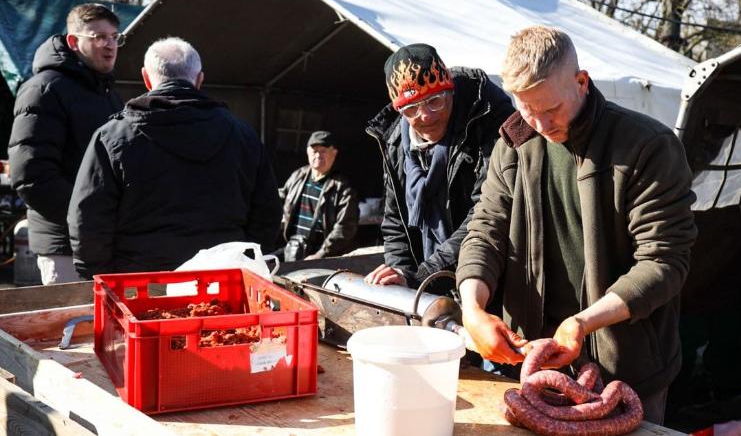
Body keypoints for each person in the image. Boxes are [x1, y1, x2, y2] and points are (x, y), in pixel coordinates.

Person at [455, 26, 697, 424]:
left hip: (627, 370)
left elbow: (664, 263)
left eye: (551, 109)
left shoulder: (647, 145)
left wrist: (582, 323)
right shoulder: (513, 143)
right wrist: (473, 308)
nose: (541, 124)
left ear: (581, 82)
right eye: (527, 109)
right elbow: (486, 230)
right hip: (531, 366)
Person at [68, 37, 281, 278]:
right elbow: (267, 214)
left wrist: (100, 278)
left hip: (138, 286)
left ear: (146, 78)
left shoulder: (112, 137)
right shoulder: (244, 136)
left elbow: (88, 221)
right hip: (223, 284)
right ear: (199, 79)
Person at [363, 43, 514, 287]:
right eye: (411, 108)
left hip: (489, 278)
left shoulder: (486, 122)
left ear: (450, 91)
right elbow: (395, 222)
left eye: (435, 101)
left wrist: (423, 277)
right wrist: (402, 275)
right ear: (400, 111)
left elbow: (485, 215)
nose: (425, 116)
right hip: (427, 281)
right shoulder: (395, 144)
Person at [8, 4, 124, 284]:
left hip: (104, 242)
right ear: (73, 42)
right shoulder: (44, 89)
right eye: (98, 37)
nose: (109, 45)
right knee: (72, 326)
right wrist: (85, 221)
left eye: (114, 37)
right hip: (64, 245)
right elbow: (32, 176)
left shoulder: (107, 93)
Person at [278, 131, 359, 261]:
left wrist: (320, 255)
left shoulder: (342, 188)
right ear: (307, 152)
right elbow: (279, 199)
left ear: (334, 153)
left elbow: (345, 227)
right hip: (292, 250)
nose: (318, 155)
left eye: (323, 151)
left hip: (321, 258)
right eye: (314, 151)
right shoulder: (298, 175)